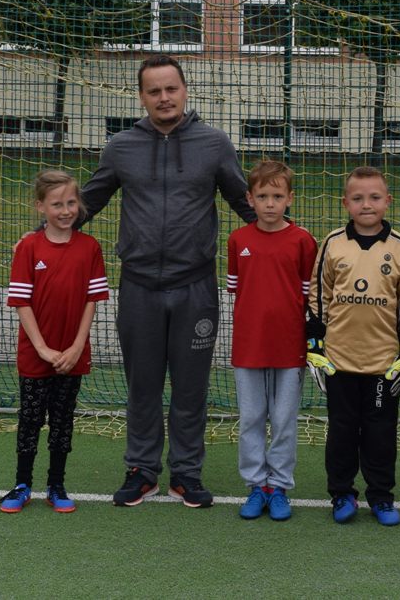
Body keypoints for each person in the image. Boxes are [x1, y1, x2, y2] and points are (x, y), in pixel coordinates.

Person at [79, 54, 255, 508]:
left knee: (191, 387)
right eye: (154, 91)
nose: (163, 97)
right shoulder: (121, 147)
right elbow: (89, 201)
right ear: (142, 97)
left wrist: (286, 239)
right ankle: (141, 470)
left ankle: (187, 472)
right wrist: (43, 236)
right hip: (139, 286)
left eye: (170, 88)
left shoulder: (214, 144)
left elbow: (246, 203)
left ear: (184, 91)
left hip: (196, 287)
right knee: (143, 385)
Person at [0, 170, 109, 514]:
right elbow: (21, 303)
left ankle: (56, 484)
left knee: (63, 422)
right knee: (31, 420)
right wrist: (43, 349)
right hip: (36, 354)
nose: (65, 210)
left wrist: (76, 347)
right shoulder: (29, 247)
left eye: (71, 202)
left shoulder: (90, 248)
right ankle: (22, 484)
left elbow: (91, 302)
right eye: (57, 204)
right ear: (40, 207)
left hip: (72, 355)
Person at [306, 166, 400, 526]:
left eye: (374, 197)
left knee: (381, 433)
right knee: (342, 430)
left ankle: (381, 496)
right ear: (345, 203)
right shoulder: (332, 243)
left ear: (388, 201)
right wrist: (315, 345)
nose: (367, 204)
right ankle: (341, 493)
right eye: (358, 198)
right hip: (340, 360)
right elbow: (318, 296)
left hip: (383, 363)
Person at [227, 160, 317, 521]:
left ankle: (278, 486)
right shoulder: (238, 240)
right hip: (248, 346)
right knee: (251, 418)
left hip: (289, 347)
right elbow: (237, 290)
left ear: (289, 199)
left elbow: (308, 296)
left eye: (277, 197)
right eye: (262, 196)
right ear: (250, 198)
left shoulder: (303, 241)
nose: (269, 203)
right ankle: (256, 485)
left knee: (283, 420)